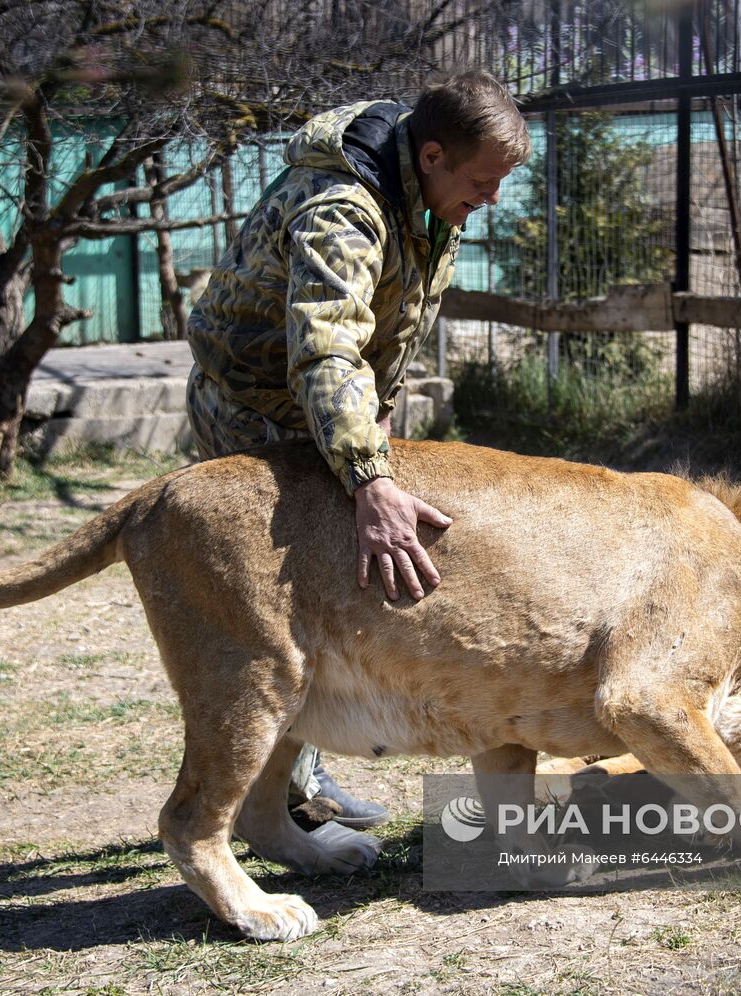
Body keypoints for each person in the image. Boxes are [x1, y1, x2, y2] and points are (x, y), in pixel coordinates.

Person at [185, 69, 532, 827]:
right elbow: (327, 353)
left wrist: (372, 424)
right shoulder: (345, 210)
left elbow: (385, 329)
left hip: (324, 410)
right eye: (482, 181)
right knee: (280, 609)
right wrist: (371, 479)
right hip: (255, 411)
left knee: (319, 593)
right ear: (433, 154)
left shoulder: (425, 193)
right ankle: (274, 800)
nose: (492, 199)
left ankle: (291, 785)